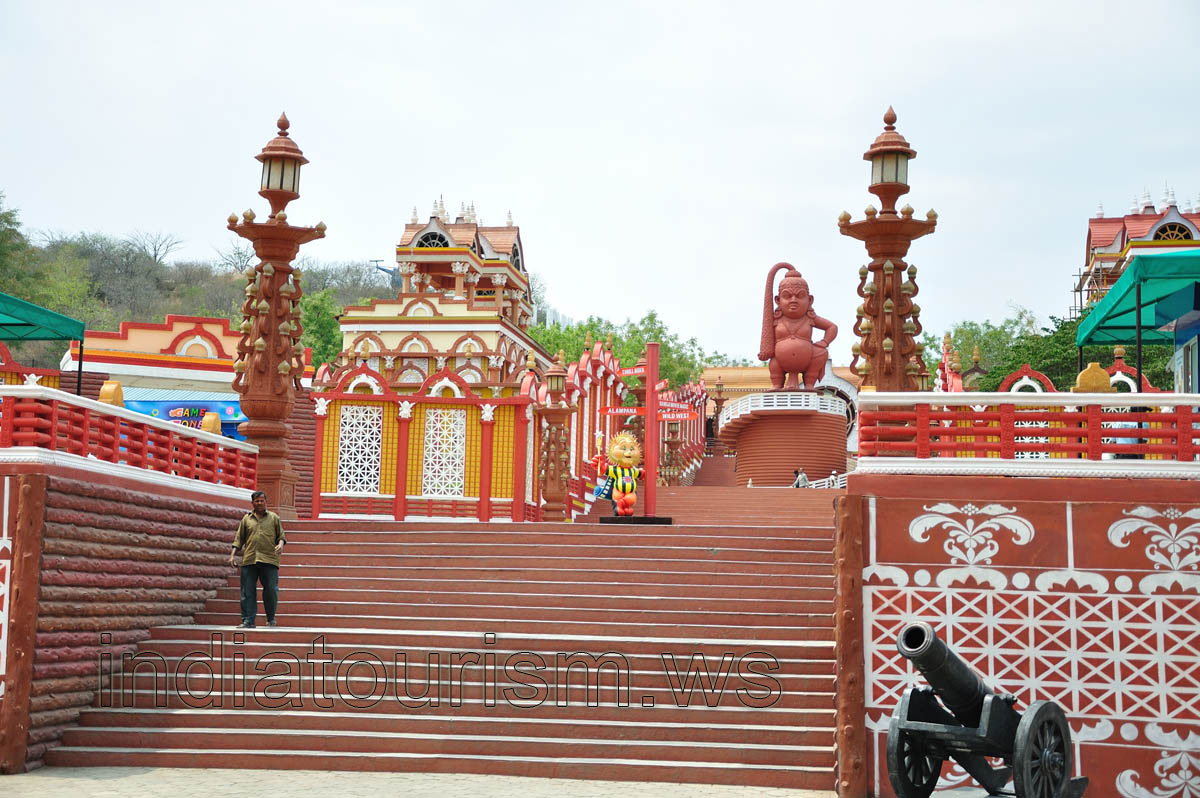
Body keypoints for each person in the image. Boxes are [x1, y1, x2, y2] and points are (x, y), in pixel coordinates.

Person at [229, 490, 285, 628]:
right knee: (247, 591)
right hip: (249, 559)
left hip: (269, 559)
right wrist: (232, 555)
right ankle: (248, 620)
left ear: (266, 502)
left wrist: (280, 545)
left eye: (262, 500)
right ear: (252, 503)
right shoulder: (246, 519)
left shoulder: (274, 518)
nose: (259, 503)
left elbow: (281, 536)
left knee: (271, 590)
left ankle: (271, 618)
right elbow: (239, 539)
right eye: (257, 501)